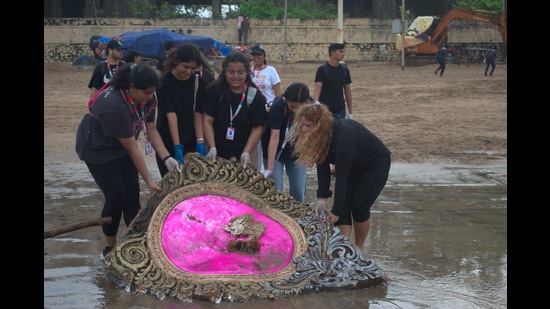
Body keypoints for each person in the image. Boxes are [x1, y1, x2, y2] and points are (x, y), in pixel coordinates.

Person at [75, 63, 180, 259]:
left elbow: (151, 129)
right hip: (97, 146)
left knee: (132, 193)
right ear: (131, 87)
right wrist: (149, 180)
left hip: (121, 143)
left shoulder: (148, 98)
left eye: (152, 93)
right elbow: (132, 148)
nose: (150, 96)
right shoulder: (114, 105)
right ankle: (110, 247)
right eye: (147, 92)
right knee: (116, 195)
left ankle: (135, 244)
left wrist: (166, 158)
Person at [289, 103, 391, 253]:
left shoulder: (344, 135)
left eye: (308, 126)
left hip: (375, 164)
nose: (304, 130)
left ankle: (359, 248)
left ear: (320, 125)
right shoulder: (320, 136)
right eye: (302, 125)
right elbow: (322, 167)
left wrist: (335, 212)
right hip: (353, 166)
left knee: (359, 206)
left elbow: (341, 177)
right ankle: (344, 250)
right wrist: (322, 198)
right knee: (342, 208)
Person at [202, 51, 267, 168]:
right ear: (225, 72)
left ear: (247, 73)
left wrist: (246, 152)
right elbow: (207, 120)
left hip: (244, 155)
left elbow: (257, 128)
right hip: (216, 154)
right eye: (231, 72)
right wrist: (212, 147)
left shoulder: (255, 97)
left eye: (240, 72)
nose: (236, 76)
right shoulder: (215, 92)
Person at [155, 43, 210, 177]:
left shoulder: (198, 82)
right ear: (175, 62)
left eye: (193, 68)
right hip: (167, 139)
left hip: (190, 138)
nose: (189, 71)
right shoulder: (163, 83)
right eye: (185, 67)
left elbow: (197, 114)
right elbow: (171, 115)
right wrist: (177, 146)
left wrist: (200, 141)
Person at [261, 82, 313, 203]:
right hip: (275, 153)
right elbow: (274, 137)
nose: (294, 109)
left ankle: (296, 220)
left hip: (297, 152)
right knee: (277, 193)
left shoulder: (311, 106)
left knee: (299, 193)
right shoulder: (278, 106)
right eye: (291, 106)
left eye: (298, 107)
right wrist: (269, 167)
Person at [250, 44, 282, 171]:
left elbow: (278, 93)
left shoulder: (271, 71)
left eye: (259, 55)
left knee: (267, 139)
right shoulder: (249, 71)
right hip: (252, 109)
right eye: (254, 55)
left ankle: (269, 165)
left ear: (264, 56)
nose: (256, 57)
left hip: (268, 110)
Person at [313, 43, 353, 120]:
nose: (343, 54)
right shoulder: (322, 70)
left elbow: (348, 91)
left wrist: (350, 112)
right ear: (333, 53)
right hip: (325, 110)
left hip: (340, 109)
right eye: (341, 51)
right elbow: (317, 87)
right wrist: (316, 102)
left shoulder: (345, 71)